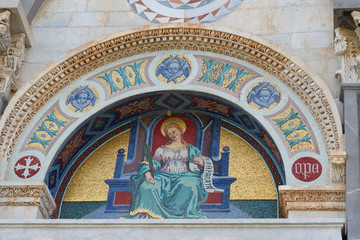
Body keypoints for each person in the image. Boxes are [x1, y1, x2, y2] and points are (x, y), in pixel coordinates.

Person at [127, 118, 208, 219]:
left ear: (180, 131)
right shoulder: (161, 149)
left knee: (190, 185)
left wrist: (201, 162)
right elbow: (155, 163)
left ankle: (184, 214)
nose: (172, 135)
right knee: (147, 185)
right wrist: (147, 171)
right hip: (163, 175)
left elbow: (199, 163)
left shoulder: (191, 149)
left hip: (186, 175)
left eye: (174, 132)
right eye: (169, 134)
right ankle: (149, 214)